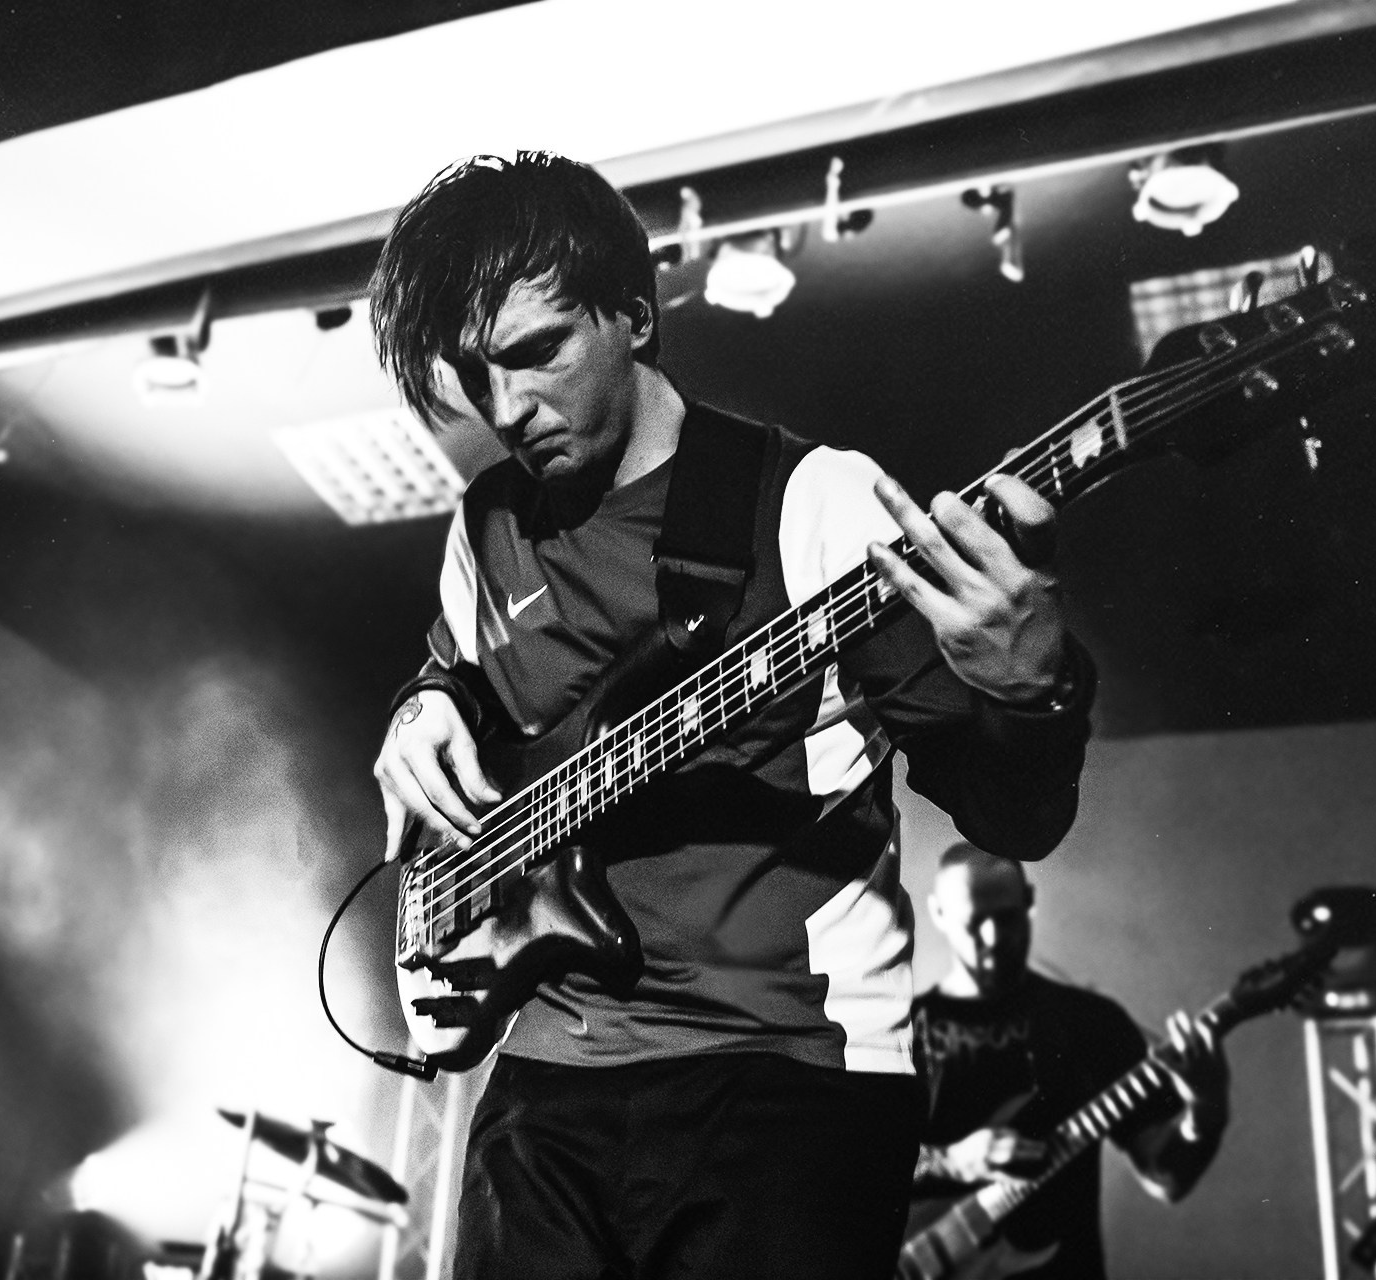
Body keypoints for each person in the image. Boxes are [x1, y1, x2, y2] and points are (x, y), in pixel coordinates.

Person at [368, 151, 1096, 1280]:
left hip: (787, 1067)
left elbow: (1016, 816)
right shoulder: (488, 522)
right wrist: (422, 706)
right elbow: (466, 693)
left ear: (635, 314)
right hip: (549, 1072)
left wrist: (1035, 683)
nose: (504, 409)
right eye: (473, 372)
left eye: (537, 352)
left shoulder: (816, 503)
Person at [908, 844, 1230, 1280]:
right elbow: (851, 1170)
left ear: (1030, 902)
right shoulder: (902, 1031)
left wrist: (1207, 1108)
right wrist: (950, 1161)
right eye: (974, 921)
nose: (993, 938)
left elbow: (1167, 1178)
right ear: (938, 913)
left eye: (1007, 917)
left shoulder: (1091, 1021)